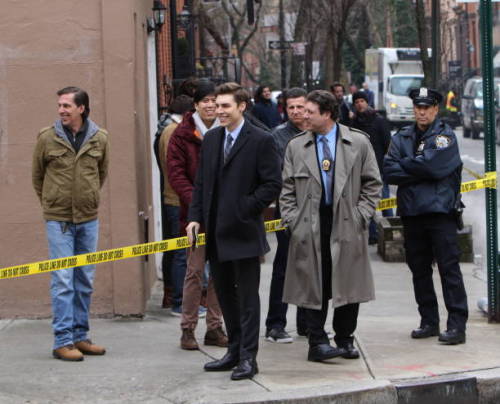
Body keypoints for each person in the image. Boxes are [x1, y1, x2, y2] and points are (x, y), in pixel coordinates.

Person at [186, 82, 281, 380]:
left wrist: (244, 208)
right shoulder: (212, 139)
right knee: (225, 296)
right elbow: (201, 184)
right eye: (216, 104)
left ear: (242, 106)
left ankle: (248, 358)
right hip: (216, 233)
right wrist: (195, 218)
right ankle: (234, 351)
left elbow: (272, 185)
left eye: (226, 105)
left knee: (248, 299)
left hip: (244, 231)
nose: (219, 110)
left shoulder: (261, 140)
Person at [280, 90, 382, 363]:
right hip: (310, 223)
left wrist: (362, 215)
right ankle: (317, 342)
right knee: (314, 283)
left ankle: (345, 339)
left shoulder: (358, 143)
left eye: (310, 111)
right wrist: (292, 221)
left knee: (348, 283)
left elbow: (373, 183)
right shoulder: (296, 146)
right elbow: (287, 189)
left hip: (347, 222)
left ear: (327, 114)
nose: (303, 115)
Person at [383, 87, 468, 345]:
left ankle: (456, 325)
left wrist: (409, 164)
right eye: (418, 107)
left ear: (435, 109)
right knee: (419, 270)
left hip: (440, 213)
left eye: (426, 107)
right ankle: (429, 321)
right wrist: (420, 166)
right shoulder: (402, 137)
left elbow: (434, 167)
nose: (421, 112)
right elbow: (389, 171)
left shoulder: (445, 137)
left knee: (448, 269)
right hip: (411, 213)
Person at [32, 86, 109, 361]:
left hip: (88, 219)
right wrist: (53, 204)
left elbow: (101, 175)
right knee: (63, 279)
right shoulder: (47, 137)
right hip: (59, 220)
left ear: (82, 108)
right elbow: (37, 177)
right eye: (60, 105)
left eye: (67, 105)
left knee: (84, 279)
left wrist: (87, 200)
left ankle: (80, 336)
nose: (61, 110)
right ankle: (62, 340)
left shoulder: (100, 138)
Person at [167, 81, 227, 350]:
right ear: (195, 104)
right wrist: (198, 205)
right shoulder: (181, 134)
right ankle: (187, 329)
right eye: (205, 100)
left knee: (219, 274)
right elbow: (176, 175)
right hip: (193, 216)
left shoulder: (229, 130)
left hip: (225, 215)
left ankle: (214, 327)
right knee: (194, 273)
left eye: (215, 100)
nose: (211, 105)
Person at [265, 87, 308, 343]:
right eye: (291, 107)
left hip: (315, 210)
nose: (295, 111)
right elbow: (277, 175)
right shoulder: (277, 137)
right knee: (284, 267)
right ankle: (275, 324)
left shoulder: (318, 133)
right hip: (289, 210)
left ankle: (307, 322)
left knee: (311, 268)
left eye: (300, 106)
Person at [158, 95, 193, 311]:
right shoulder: (174, 132)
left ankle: (173, 297)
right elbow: (175, 169)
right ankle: (179, 302)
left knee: (175, 250)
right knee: (181, 251)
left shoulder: (168, 129)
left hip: (174, 197)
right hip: (176, 199)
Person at [351, 91, 393, 244]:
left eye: (362, 101)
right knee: (367, 202)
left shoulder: (379, 121)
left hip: (379, 167)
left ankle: (391, 231)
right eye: (357, 102)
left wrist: (386, 164)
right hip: (360, 168)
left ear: (367, 102)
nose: (359, 104)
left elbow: (388, 143)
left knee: (385, 200)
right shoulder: (354, 122)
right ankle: (373, 234)